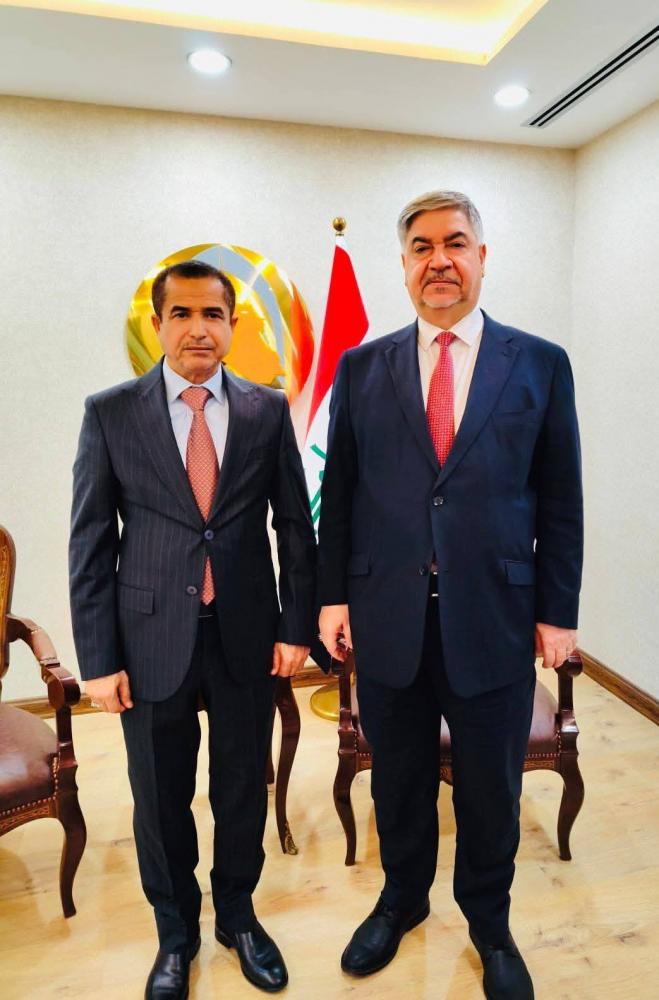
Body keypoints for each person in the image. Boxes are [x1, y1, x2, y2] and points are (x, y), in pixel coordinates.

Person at [317, 191, 582, 999]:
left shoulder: (538, 363)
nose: (439, 260)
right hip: (386, 616)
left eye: (455, 243)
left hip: (495, 617)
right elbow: (341, 494)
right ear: (403, 265)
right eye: (422, 246)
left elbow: (559, 497)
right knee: (396, 777)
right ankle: (401, 901)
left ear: (480, 257)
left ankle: (489, 924)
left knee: (491, 785)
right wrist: (331, 598)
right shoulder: (361, 367)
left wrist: (557, 611)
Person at [70, 260, 316, 999]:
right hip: (148, 639)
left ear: (233, 326)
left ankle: (237, 916)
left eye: (213, 314)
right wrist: (98, 659)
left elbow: (293, 528)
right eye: (182, 313)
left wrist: (295, 626)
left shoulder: (267, 410)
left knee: (241, 787)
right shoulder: (111, 413)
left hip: (246, 634)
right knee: (159, 797)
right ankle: (174, 933)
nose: (198, 329)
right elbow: (91, 543)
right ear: (158, 324)